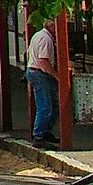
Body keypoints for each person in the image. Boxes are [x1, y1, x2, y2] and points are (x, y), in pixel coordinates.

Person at [28, 17, 61, 149]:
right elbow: (43, 61)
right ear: (51, 26)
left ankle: (46, 131)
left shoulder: (38, 35)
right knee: (45, 106)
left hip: (37, 72)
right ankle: (39, 136)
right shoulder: (46, 39)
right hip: (40, 74)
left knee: (53, 105)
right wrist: (56, 75)